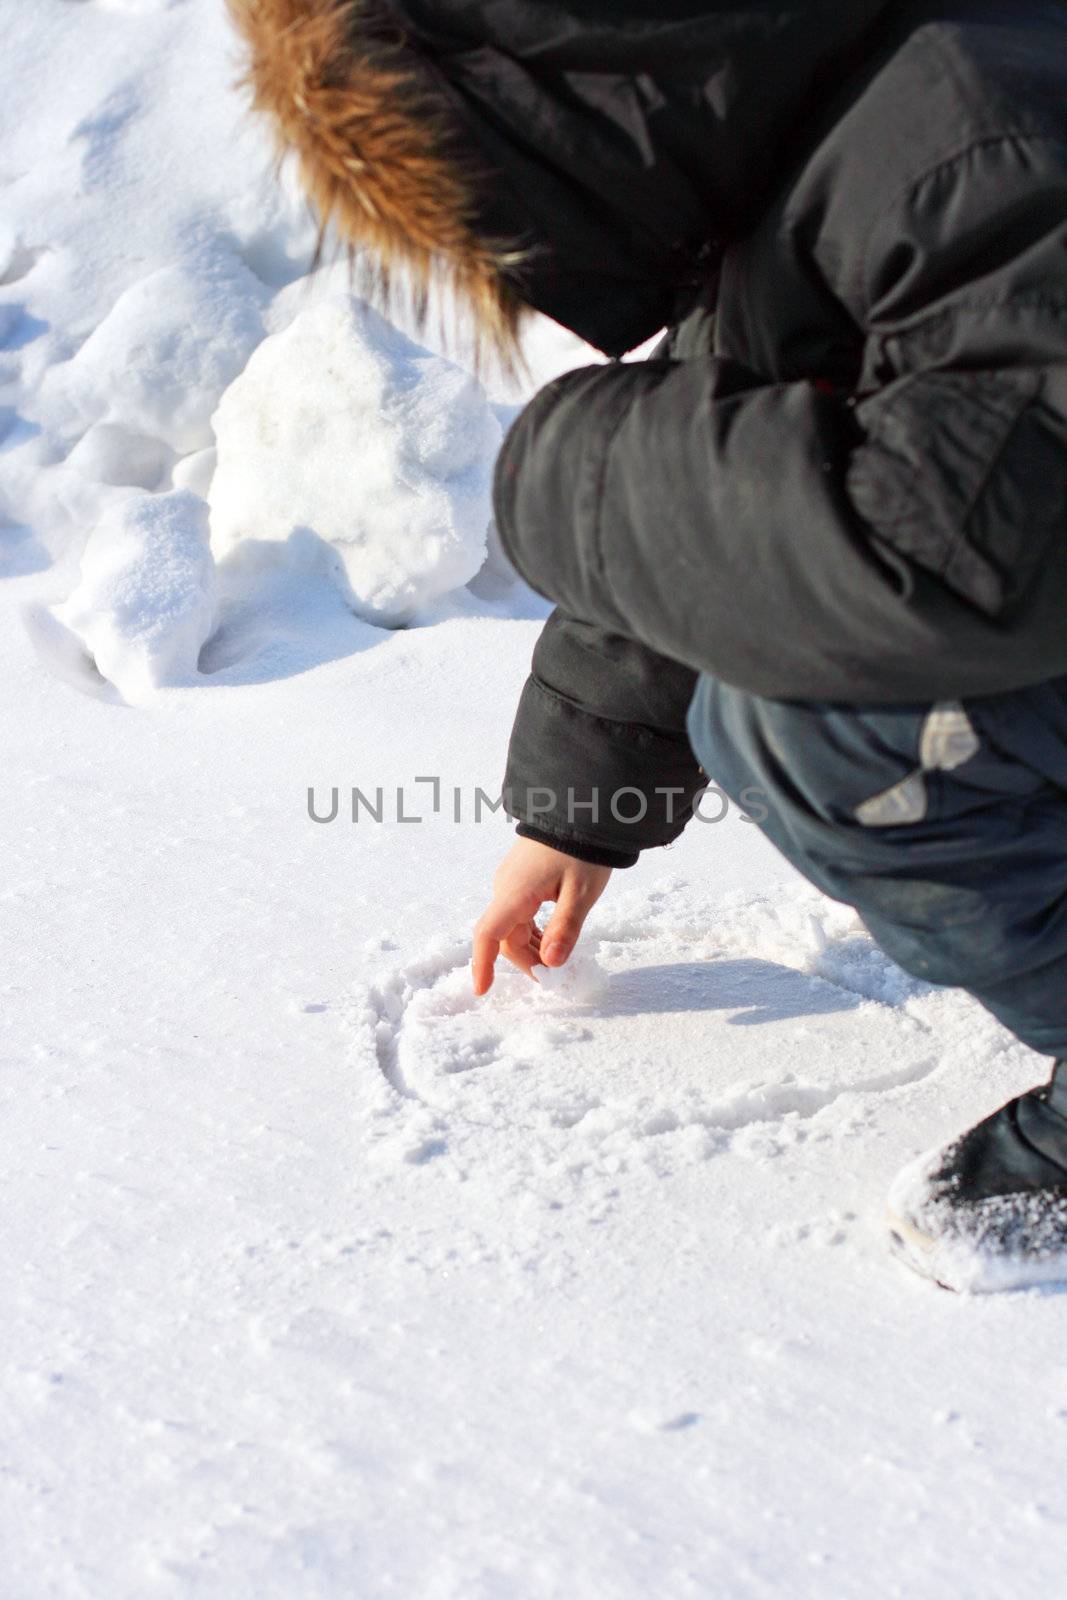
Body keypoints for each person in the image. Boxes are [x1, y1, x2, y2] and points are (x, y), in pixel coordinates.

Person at [232, 0, 1067, 1290]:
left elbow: (954, 557)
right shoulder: (844, 115)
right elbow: (738, 486)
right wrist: (576, 806)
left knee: (815, 731)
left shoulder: (977, 133)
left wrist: (564, 476)